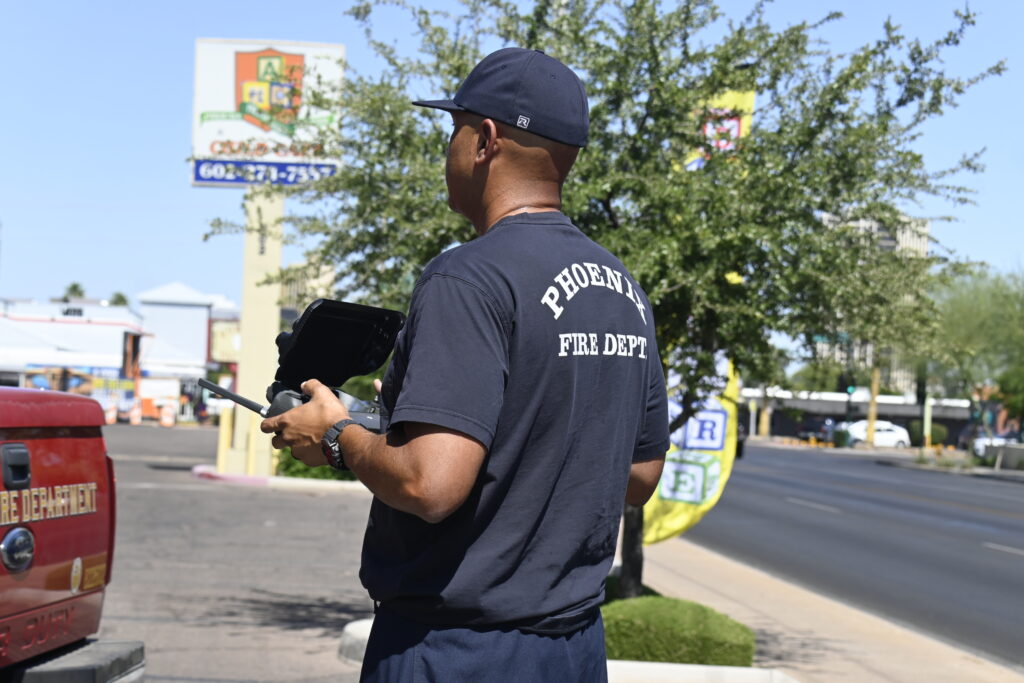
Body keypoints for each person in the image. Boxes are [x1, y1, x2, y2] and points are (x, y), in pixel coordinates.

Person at [261, 47, 669, 682]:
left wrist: (337, 435)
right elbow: (639, 476)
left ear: (485, 140)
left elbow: (430, 485)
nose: (447, 147)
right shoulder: (623, 290)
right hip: (574, 649)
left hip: (458, 652)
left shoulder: (468, 278)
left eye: (453, 128)